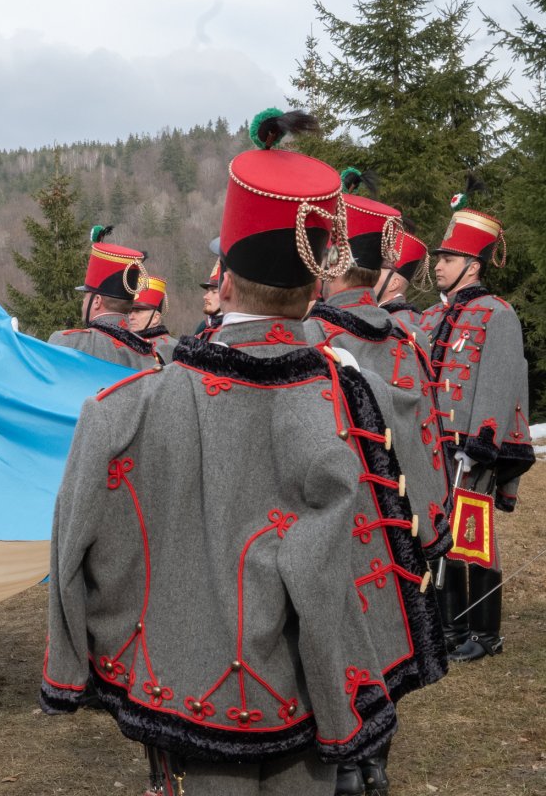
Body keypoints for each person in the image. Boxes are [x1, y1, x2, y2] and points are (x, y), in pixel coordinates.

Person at [42, 109, 443, 796]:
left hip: (178, 689)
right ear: (316, 286)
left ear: (222, 282)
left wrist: (76, 667)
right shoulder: (366, 395)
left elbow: (73, 557)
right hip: (319, 694)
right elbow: (421, 534)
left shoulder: (122, 411)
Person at [304, 170, 452, 796]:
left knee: (337, 645)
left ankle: (346, 762)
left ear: (333, 265)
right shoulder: (410, 336)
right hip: (404, 527)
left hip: (338, 529)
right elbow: (431, 436)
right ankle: (376, 761)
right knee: (392, 635)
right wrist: (431, 526)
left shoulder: (311, 338)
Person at [426, 189, 534, 664]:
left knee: (474, 534)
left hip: (473, 445)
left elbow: (500, 379)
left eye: (448, 258)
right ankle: (450, 629)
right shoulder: (432, 315)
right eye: (438, 258)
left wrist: (483, 438)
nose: (438, 265)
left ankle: (486, 633)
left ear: (473, 263)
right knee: (441, 533)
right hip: (435, 443)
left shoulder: (498, 314)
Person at [48, 233, 160, 372]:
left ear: (96, 301)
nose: (83, 303)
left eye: (85, 296)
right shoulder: (149, 357)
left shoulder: (68, 342)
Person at [374, 226, 432, 349]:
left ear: (394, 284)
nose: (371, 277)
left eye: (377, 272)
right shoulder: (393, 316)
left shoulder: (403, 322)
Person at [127, 275, 176, 363]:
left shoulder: (170, 347)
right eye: (130, 312)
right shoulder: (127, 343)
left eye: (138, 311)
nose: (131, 317)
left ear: (155, 318)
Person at [194, 259, 223, 336]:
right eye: (207, 291)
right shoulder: (203, 326)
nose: (205, 297)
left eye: (214, 292)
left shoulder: (233, 329)